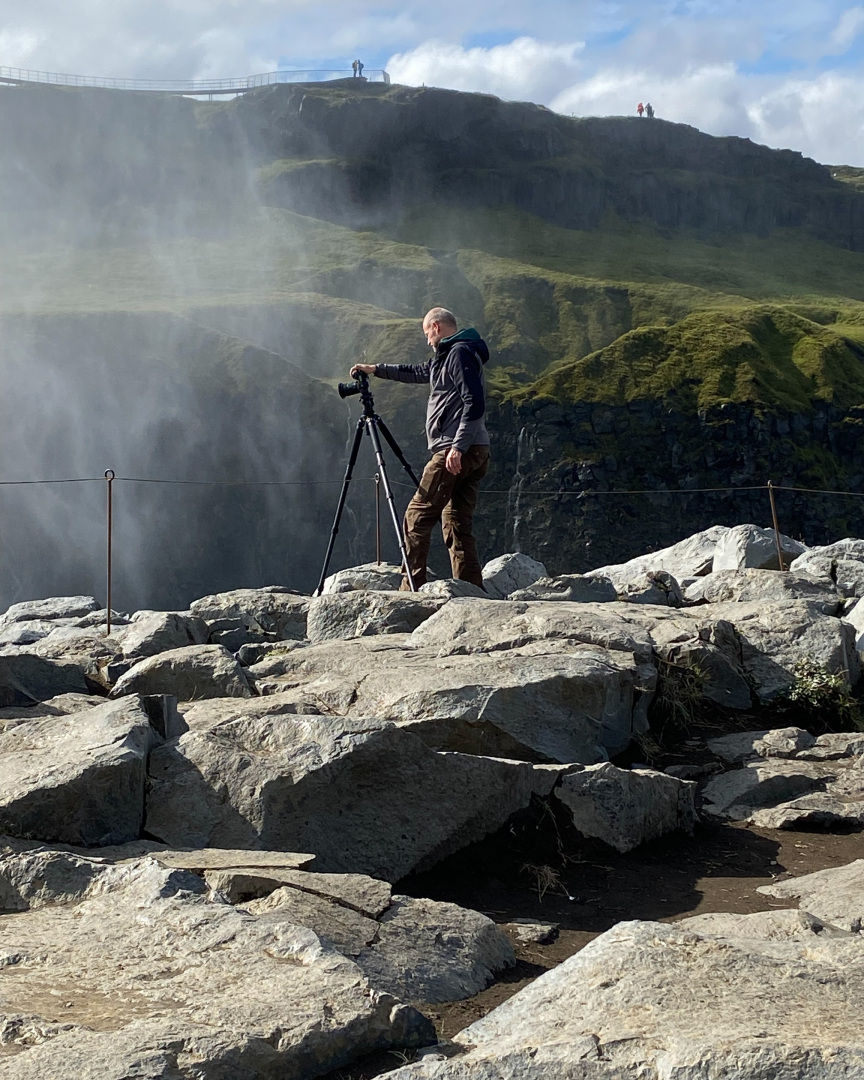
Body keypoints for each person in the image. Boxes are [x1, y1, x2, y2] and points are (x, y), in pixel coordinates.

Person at [350, 307, 491, 589]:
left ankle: (411, 589)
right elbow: (416, 372)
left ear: (436, 327)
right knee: (456, 522)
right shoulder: (451, 356)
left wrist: (457, 448)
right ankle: (471, 590)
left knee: (417, 515)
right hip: (476, 449)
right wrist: (375, 369)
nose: (427, 340)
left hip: (455, 450)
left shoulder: (458, 353)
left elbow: (474, 402)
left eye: (427, 333)